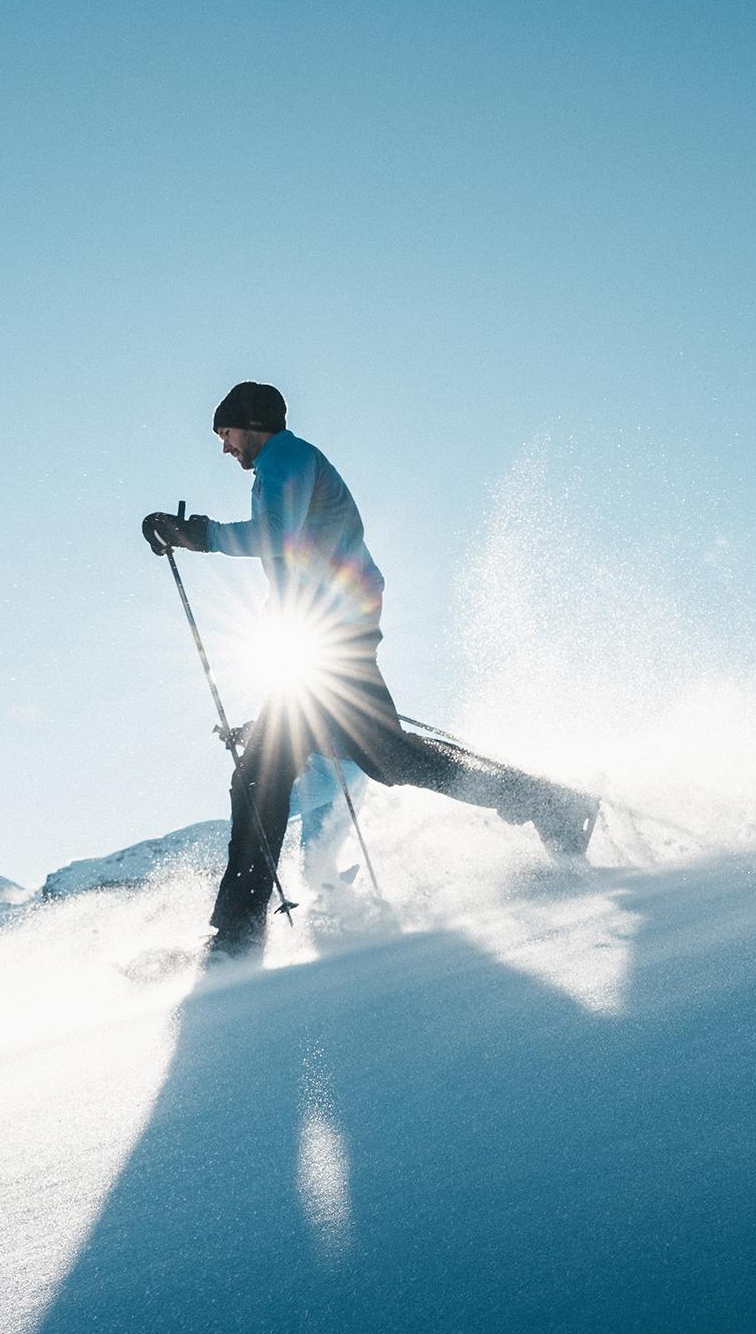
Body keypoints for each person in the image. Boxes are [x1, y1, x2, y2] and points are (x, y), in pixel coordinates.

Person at [143, 382, 597, 961]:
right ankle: (549, 804)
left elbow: (277, 539)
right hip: (324, 636)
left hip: (330, 636)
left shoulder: (285, 457)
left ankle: (237, 934)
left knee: (269, 773)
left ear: (249, 424)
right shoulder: (284, 466)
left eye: (226, 434)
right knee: (381, 759)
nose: (225, 448)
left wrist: (197, 534)